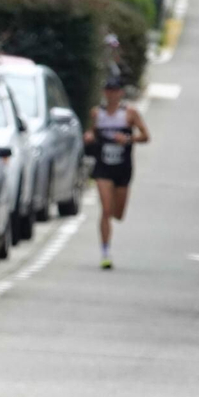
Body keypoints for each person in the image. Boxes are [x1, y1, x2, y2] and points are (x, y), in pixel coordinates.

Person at [84, 76, 149, 270]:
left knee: (117, 214)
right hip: (103, 167)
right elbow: (93, 133)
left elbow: (146, 136)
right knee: (105, 210)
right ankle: (105, 252)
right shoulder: (97, 113)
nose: (111, 94)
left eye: (115, 90)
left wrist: (128, 139)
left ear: (121, 93)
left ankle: (110, 223)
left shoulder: (130, 114)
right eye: (108, 90)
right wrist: (89, 137)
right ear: (104, 92)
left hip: (123, 167)